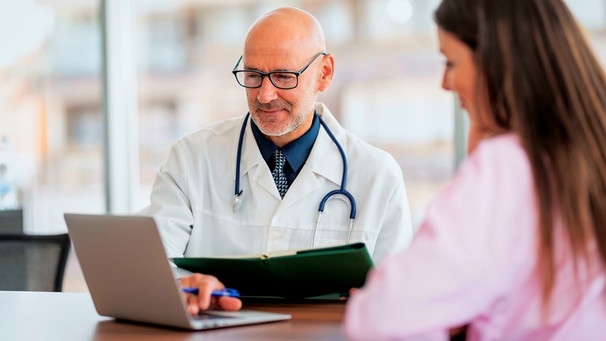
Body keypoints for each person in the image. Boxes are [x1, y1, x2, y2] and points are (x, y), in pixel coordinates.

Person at [343, 0, 606, 339]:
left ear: (498, 62)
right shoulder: (589, 158)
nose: (445, 83)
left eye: (451, 62)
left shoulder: (507, 168)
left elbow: (380, 317)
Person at [141, 7, 414, 315]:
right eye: (254, 75)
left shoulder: (378, 176)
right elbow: (150, 267)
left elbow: (399, 302)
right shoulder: (190, 159)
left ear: (324, 73)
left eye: (284, 76)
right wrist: (186, 285)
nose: (265, 95)